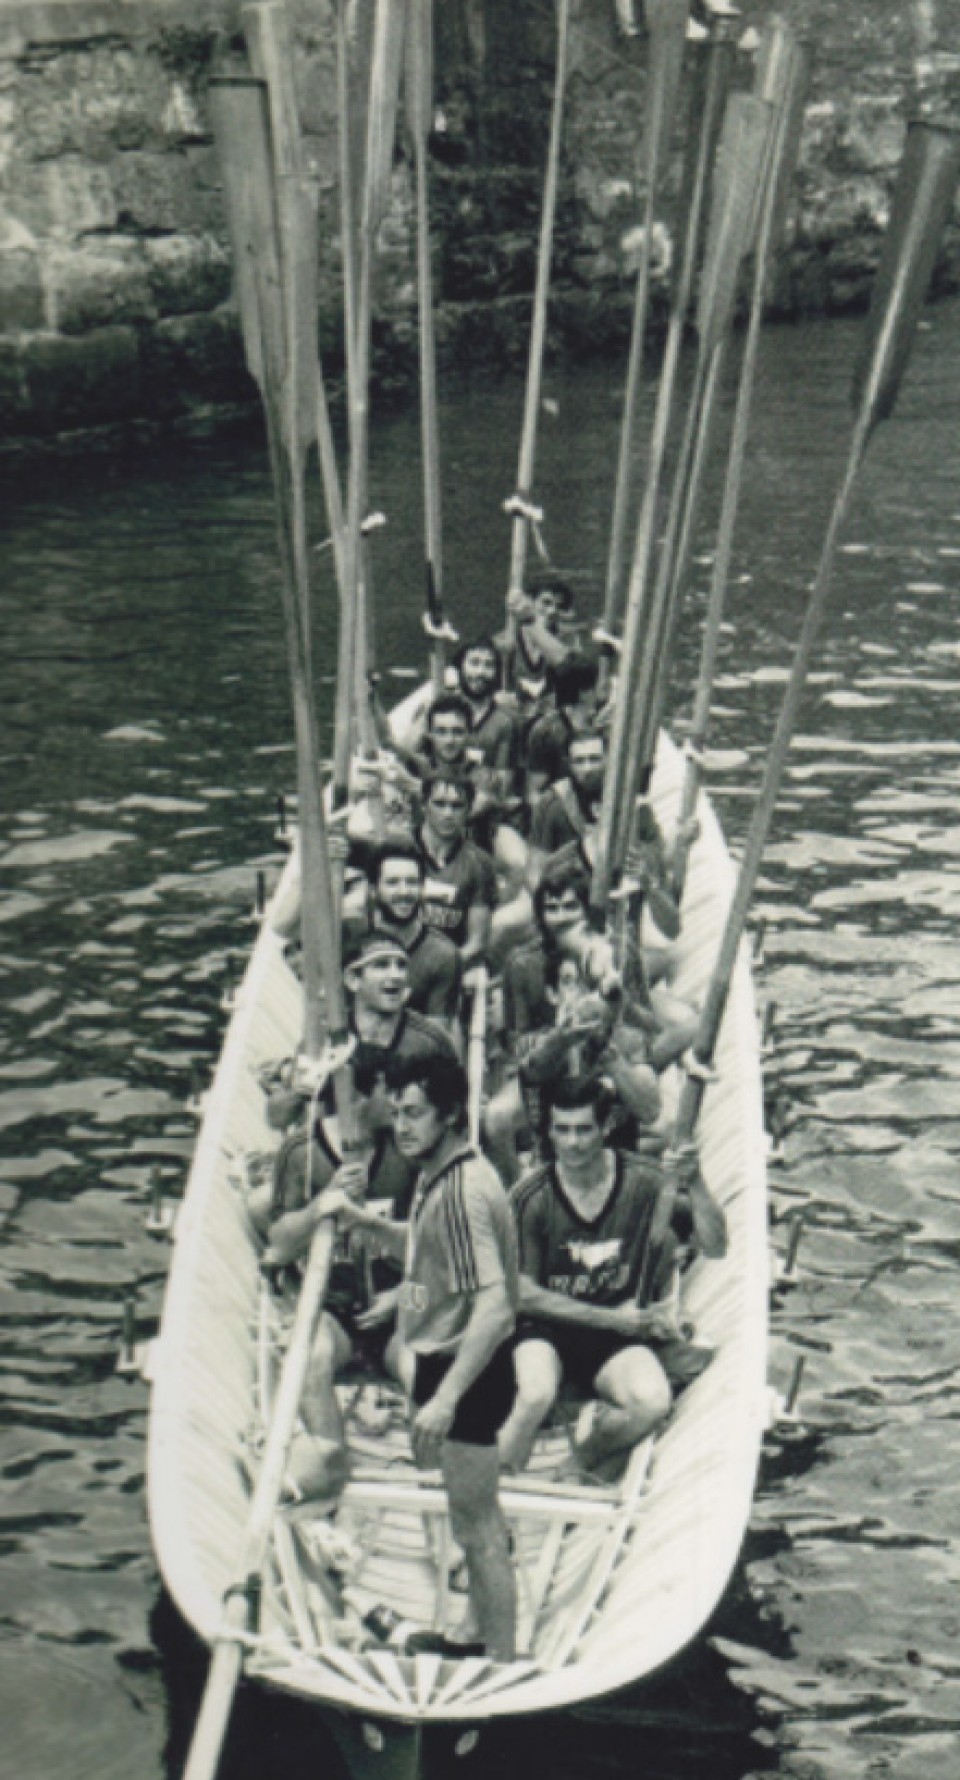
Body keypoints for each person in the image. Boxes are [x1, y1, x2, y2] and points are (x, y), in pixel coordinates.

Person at [315, 1052, 519, 1662]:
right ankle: (472, 1637)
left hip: (468, 1369)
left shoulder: (459, 1190)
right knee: (473, 1518)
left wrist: (447, 1399)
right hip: (450, 1358)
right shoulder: (443, 1171)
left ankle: (500, 1662)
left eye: (416, 1114)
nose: (402, 1126)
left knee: (478, 1531)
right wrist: (367, 1226)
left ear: (452, 1114)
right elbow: (431, 1252)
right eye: (397, 1113)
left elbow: (497, 1308)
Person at [498, 1075, 688, 1476]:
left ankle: (578, 1462)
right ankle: (495, 1483)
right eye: (561, 1130)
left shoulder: (646, 1180)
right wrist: (609, 1317)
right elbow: (522, 1295)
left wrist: (697, 1179)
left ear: (607, 1127)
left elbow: (716, 1243)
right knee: (535, 1395)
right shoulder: (530, 1196)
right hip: (546, 1330)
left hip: (613, 1341)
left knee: (653, 1401)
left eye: (584, 1129)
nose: (572, 1143)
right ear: (549, 1131)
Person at [344, 838, 462, 1033]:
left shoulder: (442, 955)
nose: (404, 892)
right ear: (373, 890)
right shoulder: (351, 936)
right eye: (392, 883)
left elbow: (435, 1036)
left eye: (412, 882)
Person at [416, 770, 498, 971]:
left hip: (450, 967)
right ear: (423, 805)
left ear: (469, 810)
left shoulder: (480, 863)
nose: (447, 813)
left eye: (457, 806)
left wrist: (438, 970)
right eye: (439, 804)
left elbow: (476, 943)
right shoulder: (400, 848)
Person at [525, 653, 604, 804]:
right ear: (584, 692)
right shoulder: (546, 731)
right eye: (597, 683)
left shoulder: (606, 726)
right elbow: (534, 793)